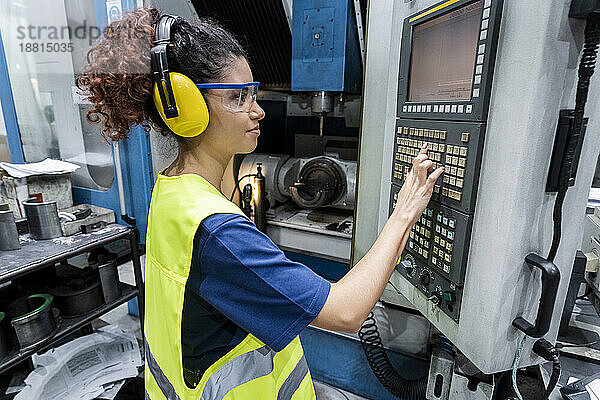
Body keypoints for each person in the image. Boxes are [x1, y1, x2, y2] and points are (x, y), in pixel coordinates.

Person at [76, 7, 444, 400]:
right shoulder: (217, 231)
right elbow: (347, 311)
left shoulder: (170, 189)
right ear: (184, 107)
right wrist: (405, 211)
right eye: (238, 97)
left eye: (253, 93)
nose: (258, 110)